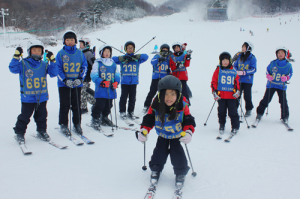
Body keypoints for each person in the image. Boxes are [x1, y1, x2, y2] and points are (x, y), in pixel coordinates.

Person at [137, 75, 196, 188]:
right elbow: (149, 118)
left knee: (177, 154)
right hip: (163, 134)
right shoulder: (156, 104)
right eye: (166, 94)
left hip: (177, 135)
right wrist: (144, 129)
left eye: (172, 94)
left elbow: (188, 119)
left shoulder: (182, 105)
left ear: (178, 94)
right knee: (159, 153)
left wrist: (188, 132)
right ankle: (156, 169)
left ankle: (180, 172)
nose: (169, 97)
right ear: (160, 94)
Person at [9, 40, 58, 143]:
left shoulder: (44, 64)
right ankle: (20, 133)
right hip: (28, 97)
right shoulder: (23, 63)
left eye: (39, 50)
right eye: (34, 50)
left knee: (42, 115)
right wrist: (16, 57)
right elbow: (13, 68)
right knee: (25, 116)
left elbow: (54, 73)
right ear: (29, 51)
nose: (36, 52)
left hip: (42, 96)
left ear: (42, 52)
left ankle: (41, 131)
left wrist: (53, 61)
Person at [56, 30, 88, 136]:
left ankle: (77, 123)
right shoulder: (60, 53)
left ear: (75, 41)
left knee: (76, 105)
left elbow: (84, 67)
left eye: (72, 40)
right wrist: (65, 80)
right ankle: (63, 124)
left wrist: (80, 78)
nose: (70, 42)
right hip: (64, 85)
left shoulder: (79, 53)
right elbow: (58, 69)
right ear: (64, 41)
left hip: (76, 84)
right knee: (64, 105)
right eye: (67, 40)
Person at [255, 47, 293, 124]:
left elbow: (290, 73)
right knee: (266, 100)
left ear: (285, 54)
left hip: (281, 86)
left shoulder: (288, 65)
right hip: (271, 85)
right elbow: (267, 70)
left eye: (282, 53)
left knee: (283, 102)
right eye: (278, 53)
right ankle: (259, 113)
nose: (280, 54)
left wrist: (286, 78)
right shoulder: (273, 63)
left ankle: (285, 116)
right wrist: (268, 76)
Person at [112, 41, 148, 120]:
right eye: (128, 48)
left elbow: (146, 57)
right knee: (124, 97)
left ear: (133, 49)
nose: (130, 49)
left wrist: (136, 56)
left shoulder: (136, 59)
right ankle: (122, 111)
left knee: (132, 98)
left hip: (134, 81)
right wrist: (123, 58)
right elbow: (112, 60)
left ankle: (131, 111)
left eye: (131, 48)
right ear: (126, 49)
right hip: (125, 82)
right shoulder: (123, 59)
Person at [90, 44, 120, 129]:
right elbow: (94, 75)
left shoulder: (113, 63)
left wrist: (116, 82)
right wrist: (101, 82)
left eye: (108, 51)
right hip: (101, 89)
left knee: (109, 105)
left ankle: (104, 117)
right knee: (100, 105)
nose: (107, 53)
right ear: (101, 52)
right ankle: (95, 119)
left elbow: (117, 75)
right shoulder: (98, 63)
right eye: (105, 51)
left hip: (111, 89)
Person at [211, 52, 240, 136]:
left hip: (231, 96)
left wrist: (237, 90)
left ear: (230, 61)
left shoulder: (233, 71)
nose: (225, 62)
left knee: (233, 112)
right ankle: (222, 125)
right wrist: (214, 92)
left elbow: (237, 82)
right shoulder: (218, 70)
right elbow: (213, 82)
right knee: (221, 111)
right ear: (220, 61)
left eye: (227, 60)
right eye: (223, 60)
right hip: (221, 96)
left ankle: (235, 127)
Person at [143, 44, 171, 114]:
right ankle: (146, 105)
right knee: (152, 91)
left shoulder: (168, 58)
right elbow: (152, 62)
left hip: (165, 78)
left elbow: (171, 66)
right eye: (163, 50)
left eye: (166, 50)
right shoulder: (157, 56)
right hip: (156, 77)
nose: (165, 51)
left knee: (163, 92)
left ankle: (162, 105)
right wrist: (159, 59)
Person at [233, 41, 257, 117]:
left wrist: (244, 72)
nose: (243, 48)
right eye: (242, 47)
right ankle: (234, 108)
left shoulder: (252, 58)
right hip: (239, 80)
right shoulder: (239, 56)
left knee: (247, 96)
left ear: (249, 48)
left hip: (247, 80)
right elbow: (235, 65)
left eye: (244, 47)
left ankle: (249, 109)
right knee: (237, 95)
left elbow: (254, 69)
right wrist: (236, 71)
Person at [79, 37, 96, 114]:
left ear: (86, 44)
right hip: (80, 75)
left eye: (81, 44)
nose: (80, 45)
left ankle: (84, 107)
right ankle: (94, 101)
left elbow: (94, 64)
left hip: (86, 76)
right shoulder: (80, 52)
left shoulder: (88, 53)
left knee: (82, 91)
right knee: (83, 91)